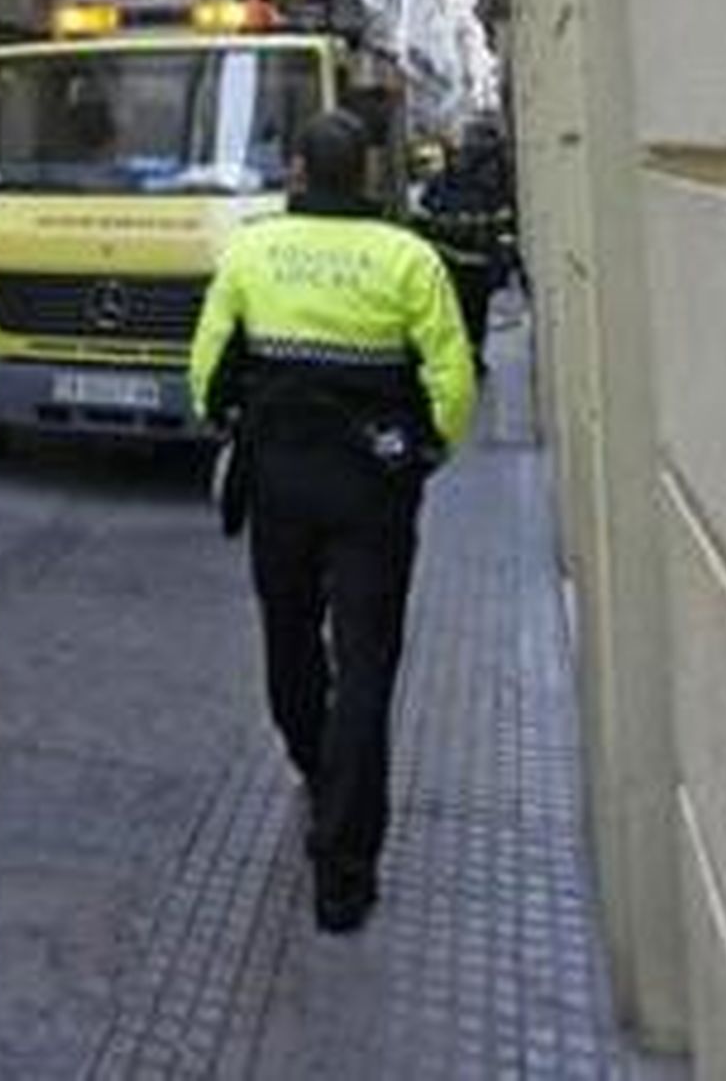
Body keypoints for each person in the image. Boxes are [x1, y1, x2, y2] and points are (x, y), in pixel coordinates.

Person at [189, 110, 476, 933]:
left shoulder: (253, 249)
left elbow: (208, 370)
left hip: (281, 480)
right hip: (373, 492)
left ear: (299, 175)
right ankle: (344, 874)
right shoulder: (409, 258)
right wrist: (426, 453)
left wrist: (226, 419)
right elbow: (452, 380)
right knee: (368, 662)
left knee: (288, 632)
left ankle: (313, 757)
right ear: (366, 175)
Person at [414, 115, 516, 379]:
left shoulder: (448, 181)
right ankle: (471, 357)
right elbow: (504, 221)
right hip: (473, 263)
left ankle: (464, 357)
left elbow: (424, 218)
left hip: (452, 262)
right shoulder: (494, 177)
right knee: (474, 315)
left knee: (456, 315)